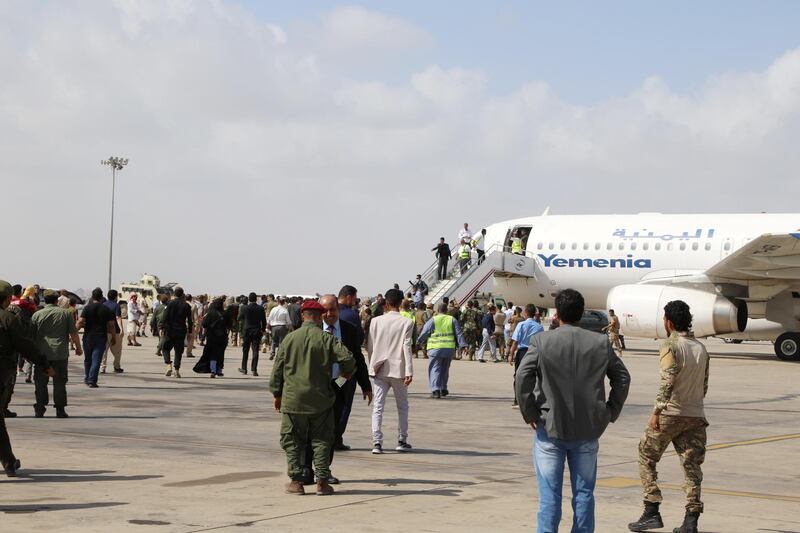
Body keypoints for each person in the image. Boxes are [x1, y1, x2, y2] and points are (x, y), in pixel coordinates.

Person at [516, 288, 630, 533]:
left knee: (549, 497)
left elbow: (522, 377)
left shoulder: (542, 341)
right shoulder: (600, 342)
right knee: (584, 494)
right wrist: (610, 411)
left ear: (557, 314)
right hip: (588, 429)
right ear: (582, 313)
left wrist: (530, 413)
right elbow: (622, 378)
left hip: (549, 427)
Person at [628, 301, 709, 533]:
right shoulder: (701, 348)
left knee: (646, 455)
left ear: (669, 322)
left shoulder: (670, 345)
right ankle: (691, 519)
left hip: (671, 412)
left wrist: (657, 411)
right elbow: (704, 386)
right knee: (692, 466)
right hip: (695, 414)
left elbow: (668, 380)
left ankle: (651, 510)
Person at [270, 299, 355, 496]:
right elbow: (348, 360)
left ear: (302, 315)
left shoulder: (290, 339)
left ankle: (296, 482)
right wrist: (344, 376)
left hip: (293, 400)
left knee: (292, 441)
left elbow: (277, 370)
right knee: (322, 441)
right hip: (321, 400)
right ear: (320, 317)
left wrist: (277, 393)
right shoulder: (327, 339)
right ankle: (322, 482)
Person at [301, 295, 372, 484]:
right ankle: (306, 468)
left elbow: (358, 359)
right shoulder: (311, 331)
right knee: (310, 430)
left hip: (339, 385)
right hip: (315, 388)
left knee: (331, 431)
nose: (329, 314)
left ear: (338, 310)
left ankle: (324, 470)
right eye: (325, 310)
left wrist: (366, 385)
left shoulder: (349, 330)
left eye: (333, 309)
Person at [0, 280, 54, 476]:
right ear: (7, 299)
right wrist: (44, 363)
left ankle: (9, 463)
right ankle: (9, 463)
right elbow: (25, 345)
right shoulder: (7, 318)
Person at [367, 288, 414, 454]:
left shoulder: (375, 321)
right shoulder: (407, 322)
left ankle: (377, 442)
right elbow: (406, 347)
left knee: (378, 406)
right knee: (402, 406)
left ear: (386, 302)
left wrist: (372, 364)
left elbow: (370, 346)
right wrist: (409, 371)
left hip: (379, 368)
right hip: (398, 369)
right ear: (401, 302)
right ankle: (402, 439)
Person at [31, 290, 81, 417]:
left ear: (45, 300)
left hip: (42, 354)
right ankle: (60, 409)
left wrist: (30, 354)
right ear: (56, 300)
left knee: (40, 382)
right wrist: (78, 348)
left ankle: (40, 408)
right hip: (60, 354)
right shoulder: (65, 314)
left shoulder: (37, 315)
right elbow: (73, 333)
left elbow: (30, 336)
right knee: (59, 382)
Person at [335, 286, 369, 451]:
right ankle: (336, 437)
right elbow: (358, 341)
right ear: (348, 297)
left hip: (327, 373)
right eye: (355, 298)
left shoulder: (328, 315)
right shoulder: (351, 315)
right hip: (345, 373)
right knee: (344, 402)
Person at [417, 302, 467, 398]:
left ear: (438, 310)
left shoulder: (433, 320)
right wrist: (463, 345)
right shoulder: (452, 319)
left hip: (435, 348)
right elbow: (459, 333)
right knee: (445, 369)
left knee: (435, 369)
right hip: (449, 349)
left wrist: (419, 341)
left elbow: (425, 332)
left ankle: (435, 390)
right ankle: (443, 388)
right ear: (446, 310)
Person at [77, 288, 117, 388]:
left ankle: (87, 378)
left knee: (87, 359)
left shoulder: (87, 308)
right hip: (101, 337)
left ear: (92, 296)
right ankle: (92, 380)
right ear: (101, 297)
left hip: (88, 336)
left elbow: (80, 321)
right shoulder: (106, 309)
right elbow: (111, 325)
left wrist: (73, 333)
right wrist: (113, 337)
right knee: (96, 360)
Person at [509, 305, 545, 407]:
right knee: (533, 376)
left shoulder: (521, 325)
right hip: (534, 352)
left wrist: (511, 355)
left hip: (522, 353)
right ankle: (531, 400)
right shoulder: (539, 327)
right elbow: (541, 343)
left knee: (518, 376)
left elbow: (515, 342)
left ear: (526, 313)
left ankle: (517, 400)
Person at [194, 297, 231, 378]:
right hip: (222, 337)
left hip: (212, 336)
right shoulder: (226, 314)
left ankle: (213, 370)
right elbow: (230, 325)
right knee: (221, 353)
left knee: (213, 353)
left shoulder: (210, 313)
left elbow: (204, 324)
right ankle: (219, 370)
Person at [162, 287, 193, 378]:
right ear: (182, 294)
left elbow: (165, 317)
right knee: (178, 351)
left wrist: (162, 328)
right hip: (181, 331)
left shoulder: (169, 304)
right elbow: (190, 320)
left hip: (170, 330)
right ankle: (176, 370)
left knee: (166, 348)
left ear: (174, 294)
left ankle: (168, 366)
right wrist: (190, 332)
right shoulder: (186, 305)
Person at [239, 292, 267, 376]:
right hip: (256, 331)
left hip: (247, 330)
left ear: (249, 299)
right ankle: (254, 369)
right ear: (256, 299)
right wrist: (262, 330)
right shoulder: (260, 308)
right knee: (255, 350)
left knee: (245, 350)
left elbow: (240, 317)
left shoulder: (245, 308)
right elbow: (264, 321)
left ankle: (244, 368)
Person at [100, 289, 124, 374]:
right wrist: (121, 329)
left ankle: (103, 368)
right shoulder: (116, 305)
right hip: (115, 331)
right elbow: (118, 318)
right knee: (117, 350)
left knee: (104, 351)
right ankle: (117, 366)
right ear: (115, 297)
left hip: (104, 331)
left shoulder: (103, 305)